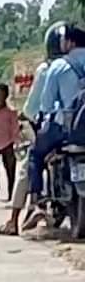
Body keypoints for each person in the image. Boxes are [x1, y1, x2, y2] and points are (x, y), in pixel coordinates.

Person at [0, 23, 68, 236]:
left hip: (53, 127)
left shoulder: (47, 69)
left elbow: (32, 107)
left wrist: (28, 116)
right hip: (77, 129)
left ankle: (16, 217)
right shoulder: (79, 64)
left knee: (30, 161)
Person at [25, 23, 85, 208]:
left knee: (35, 155)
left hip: (66, 130)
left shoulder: (59, 66)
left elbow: (46, 105)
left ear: (69, 42)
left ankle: (37, 201)